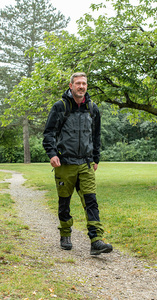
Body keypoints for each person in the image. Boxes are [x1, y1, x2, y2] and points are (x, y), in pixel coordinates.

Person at [43, 72, 113, 255]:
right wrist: (52, 154)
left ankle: (96, 240)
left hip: (86, 163)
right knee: (64, 202)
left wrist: (95, 158)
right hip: (65, 163)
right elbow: (49, 133)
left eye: (84, 83)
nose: (81, 86)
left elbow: (96, 135)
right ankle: (65, 234)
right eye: (78, 83)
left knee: (91, 201)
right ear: (71, 85)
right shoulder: (61, 107)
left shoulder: (92, 108)